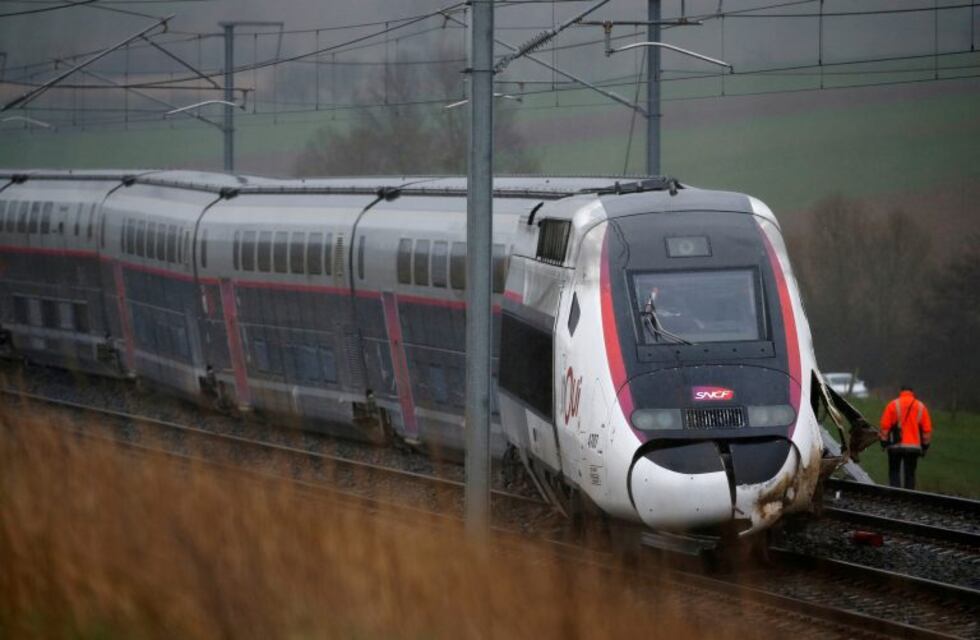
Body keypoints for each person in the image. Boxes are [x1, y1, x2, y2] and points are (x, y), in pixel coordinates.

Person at [879, 386, 933, 489]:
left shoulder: (893, 404)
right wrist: (925, 446)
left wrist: (884, 442)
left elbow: (885, 427)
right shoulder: (921, 406)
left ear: (901, 392)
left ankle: (895, 495)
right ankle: (909, 497)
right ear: (912, 393)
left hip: (895, 445)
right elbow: (927, 430)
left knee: (894, 471)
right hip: (914, 447)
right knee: (910, 474)